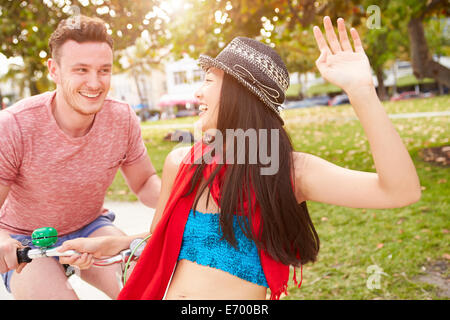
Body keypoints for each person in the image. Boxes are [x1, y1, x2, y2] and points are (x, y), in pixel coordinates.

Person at [59, 17, 421, 300]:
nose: (197, 92)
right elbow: (161, 237)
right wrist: (111, 244)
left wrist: (361, 91)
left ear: (238, 94)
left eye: (209, 80)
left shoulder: (291, 170)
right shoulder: (181, 161)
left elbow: (400, 191)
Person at [0, 15, 161, 299]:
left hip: (90, 228)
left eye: (104, 70)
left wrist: (190, 201)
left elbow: (145, 182)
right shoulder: (14, 125)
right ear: (55, 70)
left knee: (146, 287)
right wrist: (2, 242)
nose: (95, 83)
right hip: (25, 240)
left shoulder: (121, 118)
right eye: (81, 70)